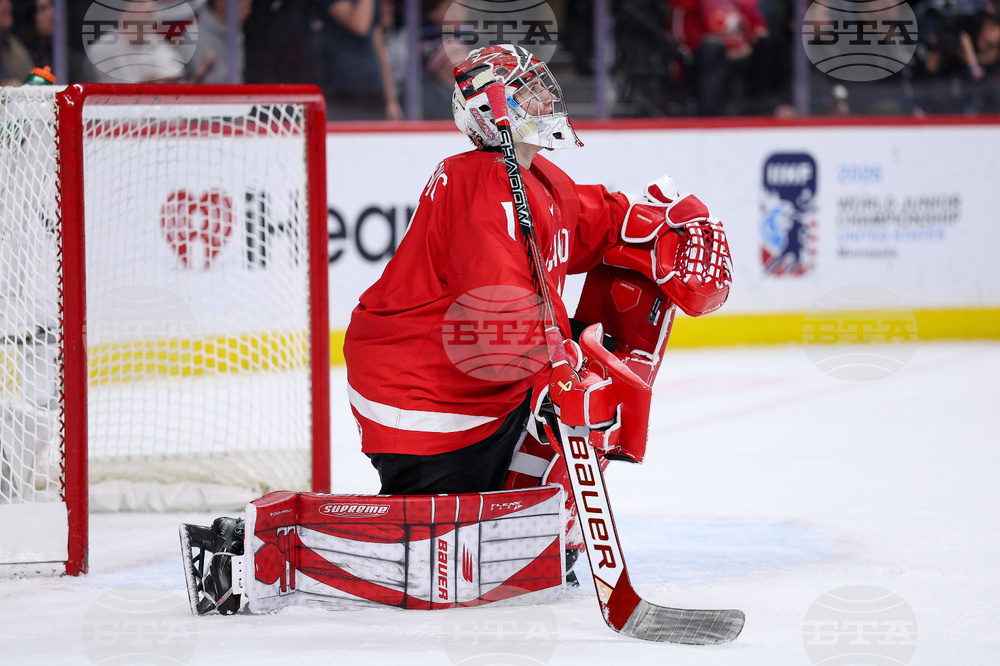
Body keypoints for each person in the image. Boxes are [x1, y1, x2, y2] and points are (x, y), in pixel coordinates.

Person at [182, 44, 732, 615]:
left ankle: (533, 524)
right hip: (424, 393)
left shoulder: (541, 181)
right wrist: (563, 370)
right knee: (439, 557)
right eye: (532, 88)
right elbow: (501, 317)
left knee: (630, 295)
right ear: (499, 108)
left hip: (477, 383)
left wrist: (674, 227)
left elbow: (609, 223)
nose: (549, 97)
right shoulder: (473, 183)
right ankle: (250, 549)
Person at [321, 0, 402, 120]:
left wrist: (391, 100)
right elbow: (360, 25)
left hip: (373, 91)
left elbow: (379, 49)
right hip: (342, 95)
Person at [0, 0, 33, 85]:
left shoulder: (15, 46)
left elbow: (31, 82)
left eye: (8, 1)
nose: (7, 6)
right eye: (0, 2)